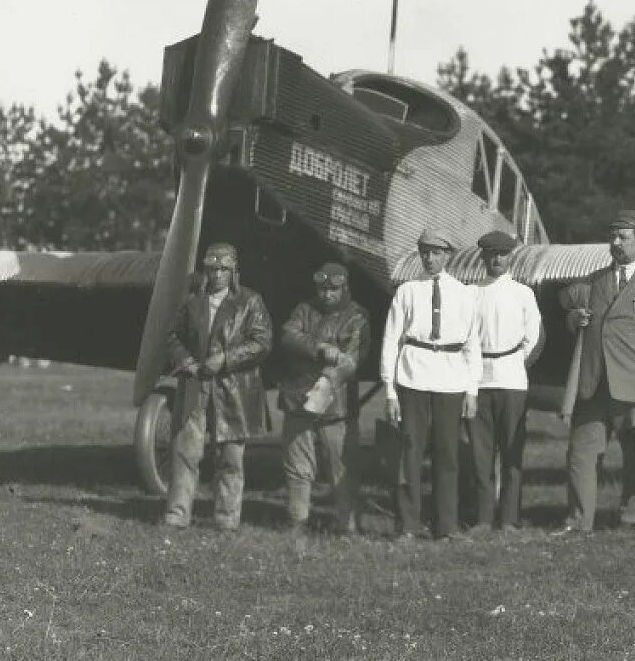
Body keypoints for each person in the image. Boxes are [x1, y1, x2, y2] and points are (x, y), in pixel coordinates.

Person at [554, 209, 635, 534]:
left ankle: (631, 519)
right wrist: (573, 320)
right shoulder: (595, 280)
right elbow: (570, 306)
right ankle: (579, 521)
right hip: (593, 382)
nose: (615, 243)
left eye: (623, 237)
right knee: (581, 453)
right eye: (612, 237)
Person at [163, 243, 273, 531]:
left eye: (224, 269)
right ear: (206, 271)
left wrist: (225, 359)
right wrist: (186, 360)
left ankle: (226, 519)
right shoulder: (193, 302)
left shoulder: (251, 301)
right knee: (185, 451)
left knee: (231, 458)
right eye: (213, 269)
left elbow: (262, 342)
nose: (218, 275)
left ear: (234, 270)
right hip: (195, 385)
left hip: (233, 389)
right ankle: (177, 514)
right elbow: (173, 336)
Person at [381, 228, 481, 540]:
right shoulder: (407, 291)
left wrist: (472, 390)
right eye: (425, 251)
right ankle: (408, 525)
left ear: (448, 255)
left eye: (437, 252)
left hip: (451, 382)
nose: (430, 258)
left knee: (447, 454)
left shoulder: (465, 294)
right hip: (413, 378)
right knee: (410, 452)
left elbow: (472, 345)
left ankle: (446, 525)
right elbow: (391, 340)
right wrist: (389, 389)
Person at [278, 262, 371, 543]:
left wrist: (327, 380)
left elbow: (351, 360)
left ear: (344, 288)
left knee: (341, 465)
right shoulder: (303, 309)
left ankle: (347, 523)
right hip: (298, 398)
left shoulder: (358, 317)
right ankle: (298, 520)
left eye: (333, 289)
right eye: (322, 288)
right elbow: (288, 335)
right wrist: (320, 348)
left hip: (336, 404)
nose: (327, 294)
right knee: (297, 464)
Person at [468, 230, 543, 532]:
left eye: (502, 254)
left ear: (510, 256)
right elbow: (466, 336)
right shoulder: (471, 292)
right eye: (491, 254)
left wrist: (512, 361)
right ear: (483, 257)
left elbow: (534, 338)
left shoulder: (524, 293)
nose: (497, 259)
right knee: (480, 453)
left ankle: (510, 518)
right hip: (478, 380)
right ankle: (484, 518)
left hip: (512, 381)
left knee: (511, 452)